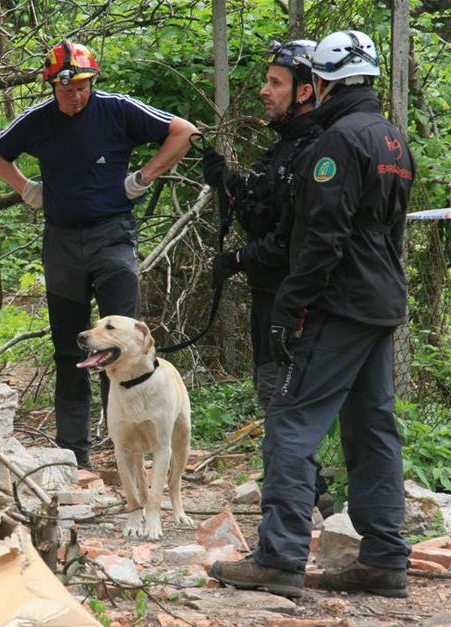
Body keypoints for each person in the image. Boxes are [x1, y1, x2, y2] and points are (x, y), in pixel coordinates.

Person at [211, 30, 415, 599]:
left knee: (290, 422)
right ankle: (383, 561)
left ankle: (278, 557)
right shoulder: (393, 140)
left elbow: (321, 239)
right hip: (381, 303)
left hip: (338, 303)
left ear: (319, 83)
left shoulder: (335, 144)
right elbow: (389, 232)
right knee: (372, 427)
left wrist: (291, 306)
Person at [0, 40, 197, 467]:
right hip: (62, 240)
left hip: (113, 235)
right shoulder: (38, 121)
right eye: (66, 88)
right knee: (70, 348)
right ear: (51, 85)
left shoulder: (117, 109)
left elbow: (185, 132)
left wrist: (143, 177)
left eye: (82, 86)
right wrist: (26, 188)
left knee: (122, 345)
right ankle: (73, 452)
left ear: (91, 81)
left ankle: (128, 448)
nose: (75, 95)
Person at [202, 40, 322, 411]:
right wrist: (225, 181)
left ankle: (293, 470)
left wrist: (236, 259)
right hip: (268, 298)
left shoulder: (316, 149)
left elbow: (290, 243)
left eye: (275, 83)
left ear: (305, 91)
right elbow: (261, 209)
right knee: (270, 391)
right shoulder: (286, 143)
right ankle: (283, 468)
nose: (263, 90)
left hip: (296, 305)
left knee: (283, 399)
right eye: (266, 81)